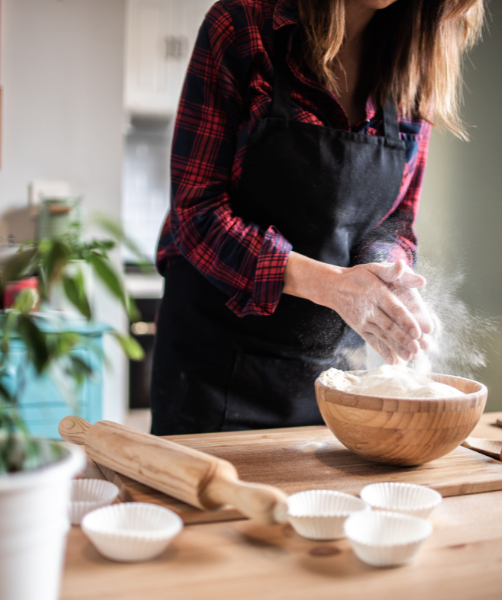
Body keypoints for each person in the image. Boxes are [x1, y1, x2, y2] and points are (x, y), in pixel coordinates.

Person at [150, 0, 485, 435]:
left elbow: (395, 221)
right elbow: (196, 215)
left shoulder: (414, 61)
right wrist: (335, 287)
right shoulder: (243, 27)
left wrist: (388, 277)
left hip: (334, 382)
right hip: (213, 372)